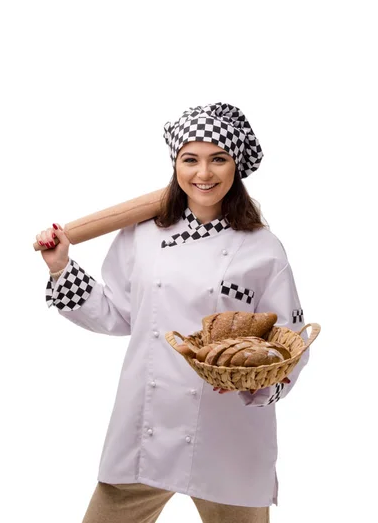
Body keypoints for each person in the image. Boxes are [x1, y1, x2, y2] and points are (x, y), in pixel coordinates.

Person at [37, 102, 309, 523]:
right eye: (190, 160)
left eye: (218, 159)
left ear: (235, 166)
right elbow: (118, 314)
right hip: (147, 426)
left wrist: (254, 385)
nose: (204, 174)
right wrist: (61, 268)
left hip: (230, 432)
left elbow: (289, 345)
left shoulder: (263, 250)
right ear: (175, 165)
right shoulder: (143, 235)